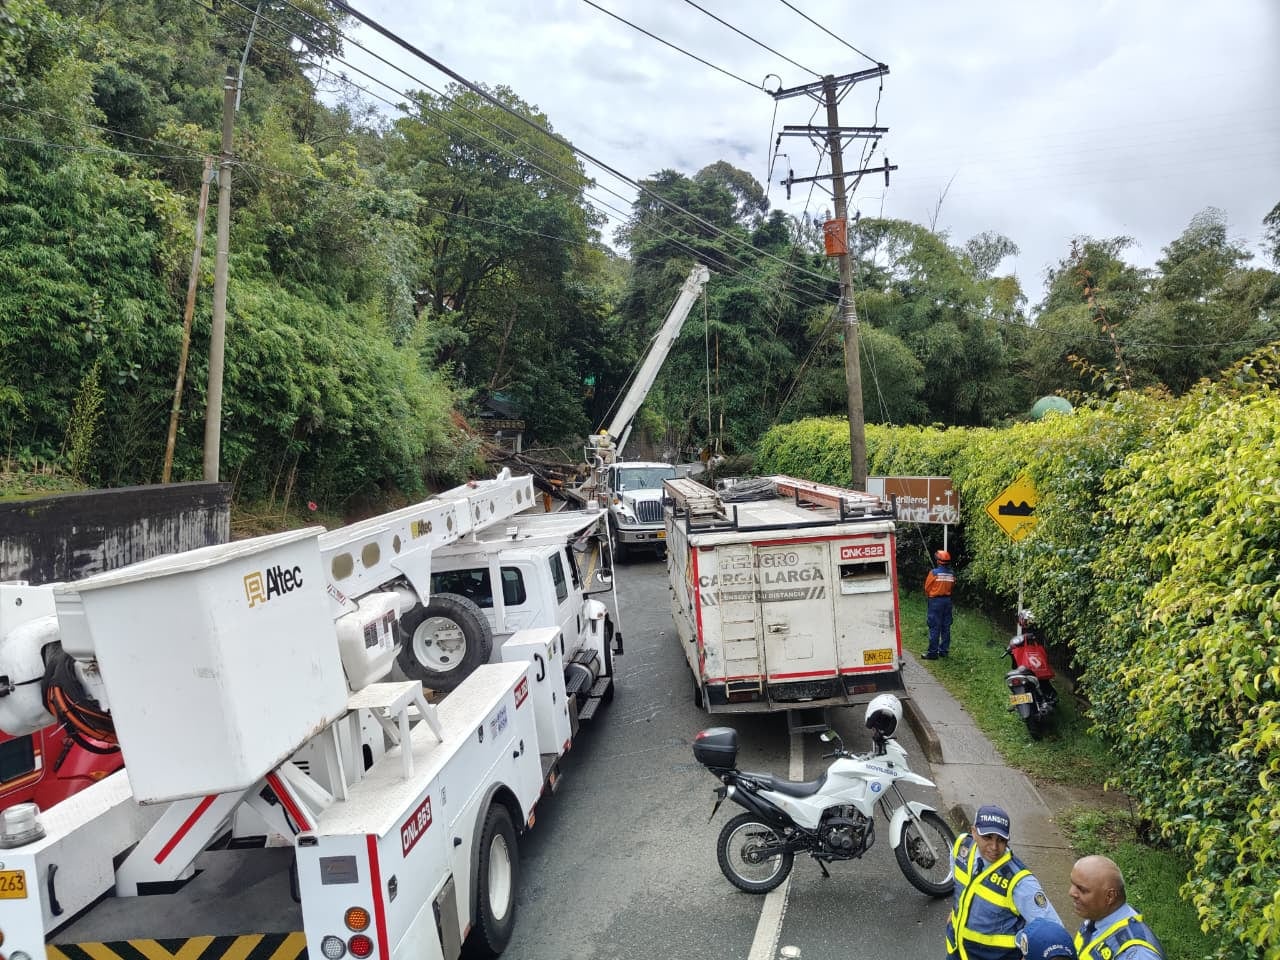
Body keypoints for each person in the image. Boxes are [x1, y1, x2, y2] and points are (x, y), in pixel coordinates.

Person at [946, 804, 1063, 960]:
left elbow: (1053, 932)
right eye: (987, 837)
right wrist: (955, 913)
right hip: (956, 950)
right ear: (973, 832)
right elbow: (961, 887)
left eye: (1001, 840)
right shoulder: (962, 848)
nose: (994, 847)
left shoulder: (1020, 881)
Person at [1069, 855, 1165, 959]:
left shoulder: (1136, 953)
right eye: (1073, 884)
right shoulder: (1097, 916)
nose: (1071, 893)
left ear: (1110, 896)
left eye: (1082, 890)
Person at [923, 549, 955, 659]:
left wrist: (932, 595)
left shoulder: (933, 573)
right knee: (946, 627)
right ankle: (944, 651)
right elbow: (952, 587)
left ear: (938, 561)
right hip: (947, 602)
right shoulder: (952, 574)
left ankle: (932, 653)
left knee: (934, 626)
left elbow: (927, 588)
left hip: (935, 602)